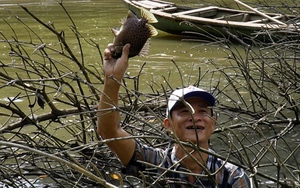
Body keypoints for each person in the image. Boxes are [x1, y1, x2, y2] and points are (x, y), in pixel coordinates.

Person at [97, 44, 251, 187]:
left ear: (213, 124)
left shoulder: (232, 176)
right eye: (184, 111)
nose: (194, 116)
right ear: (168, 124)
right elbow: (109, 132)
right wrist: (112, 79)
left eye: (203, 111)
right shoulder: (154, 162)